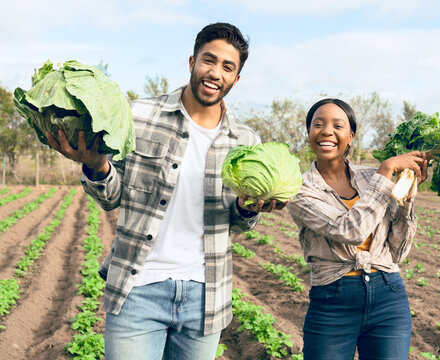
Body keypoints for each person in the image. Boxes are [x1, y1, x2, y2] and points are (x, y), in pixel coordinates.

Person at [46, 22, 284, 360]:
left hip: (206, 297)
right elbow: (111, 197)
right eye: (208, 60)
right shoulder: (139, 115)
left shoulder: (245, 141)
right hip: (138, 289)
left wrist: (248, 208)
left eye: (227, 67)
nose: (215, 72)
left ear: (236, 78)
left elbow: (239, 222)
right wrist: (97, 166)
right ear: (192, 62)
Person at [287, 98, 429, 360]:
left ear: (350, 136)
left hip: (389, 297)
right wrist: (387, 171)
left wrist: (407, 195)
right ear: (309, 134)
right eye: (318, 124)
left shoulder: (371, 177)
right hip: (333, 302)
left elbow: (398, 251)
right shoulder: (298, 189)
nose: (327, 131)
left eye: (337, 126)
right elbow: (349, 230)